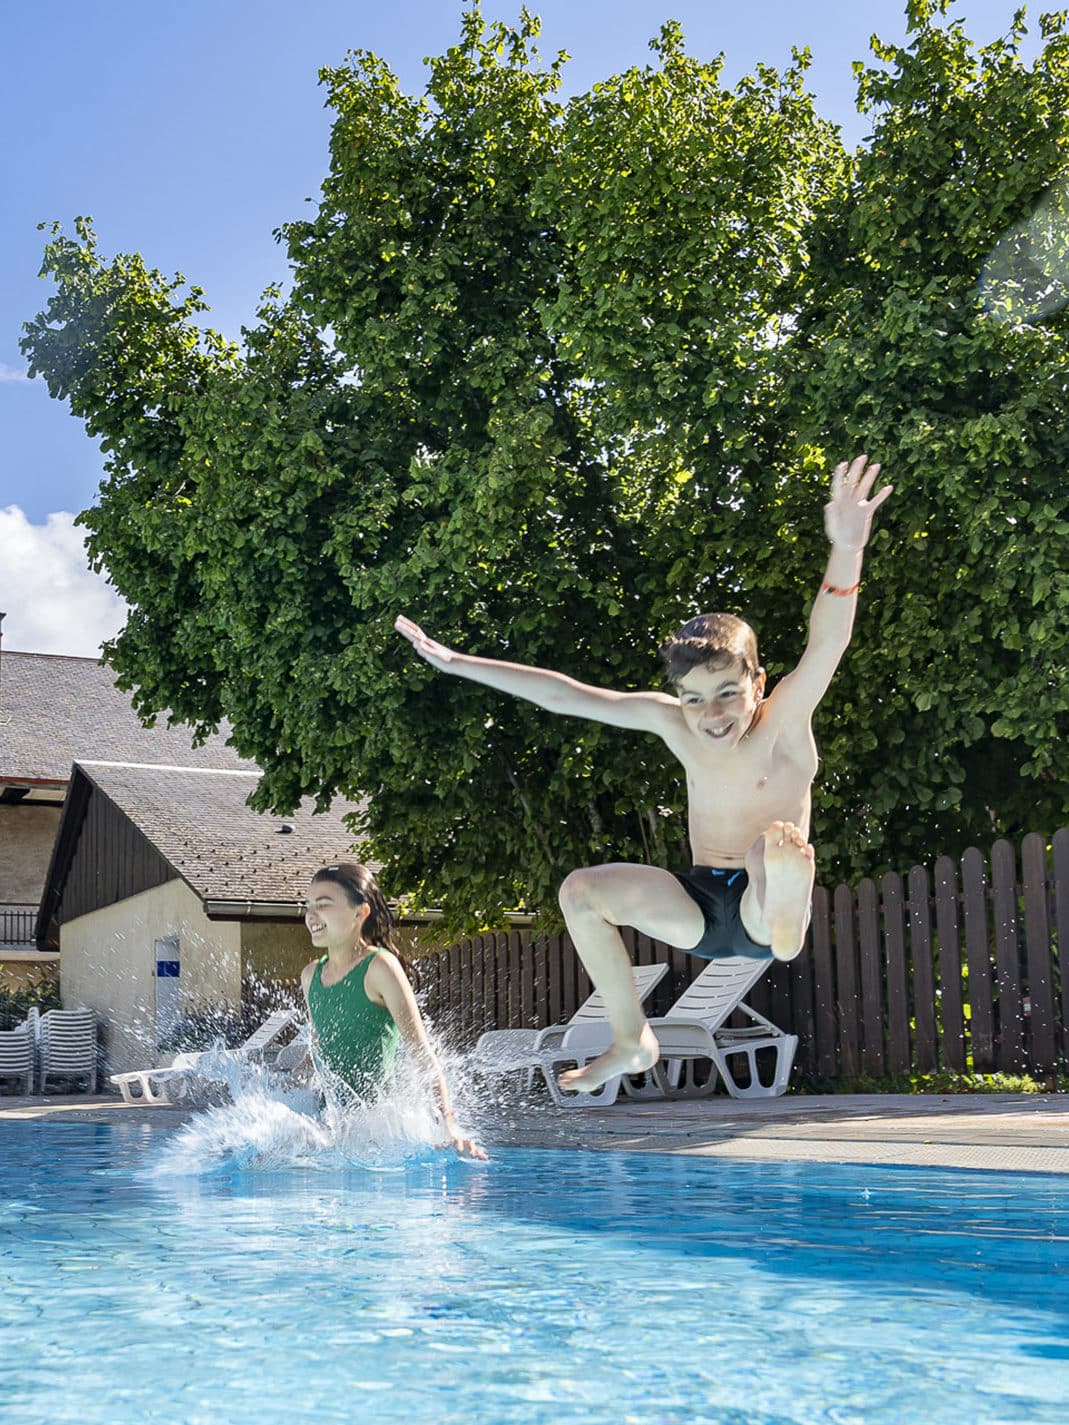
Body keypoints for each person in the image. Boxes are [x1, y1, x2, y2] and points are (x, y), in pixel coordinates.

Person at [395, 455, 892, 1093]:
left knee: (773, 847)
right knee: (580, 891)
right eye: (693, 699)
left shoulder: (786, 718)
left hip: (760, 903)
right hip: (698, 904)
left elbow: (828, 642)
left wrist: (847, 548)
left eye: (725, 695)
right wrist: (459, 661)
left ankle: (785, 918)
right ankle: (633, 1040)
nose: (709, 716)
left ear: (757, 684)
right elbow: (568, 696)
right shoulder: (675, 724)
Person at [299, 861, 486, 1160]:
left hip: (376, 1131)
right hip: (330, 1127)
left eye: (323, 905)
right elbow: (317, 1048)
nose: (311, 915)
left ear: (360, 913)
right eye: (307, 905)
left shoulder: (379, 968)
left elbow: (421, 1053)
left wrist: (447, 1127)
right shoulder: (310, 976)